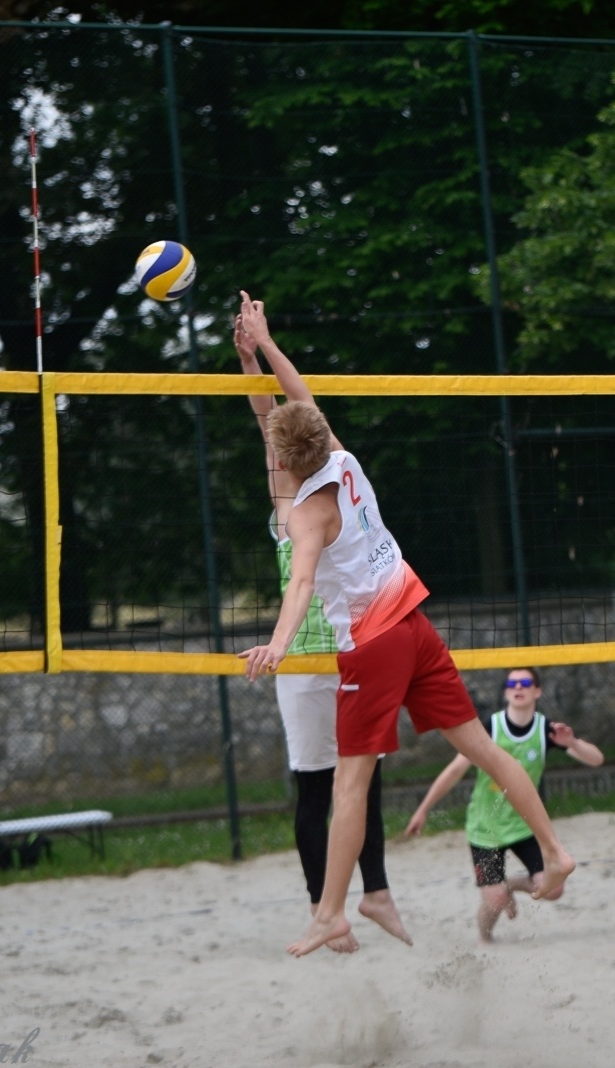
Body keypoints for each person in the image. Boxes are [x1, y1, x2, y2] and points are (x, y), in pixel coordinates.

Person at [234, 290, 575, 958]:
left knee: (349, 782)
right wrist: (260, 348)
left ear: (281, 458)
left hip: (373, 644)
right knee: (482, 749)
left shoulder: (302, 513)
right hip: (416, 624)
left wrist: (276, 644)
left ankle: (332, 912)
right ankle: (556, 853)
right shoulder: (340, 457)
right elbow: (284, 405)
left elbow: (302, 580)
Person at [235, 316, 410, 952]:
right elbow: (274, 416)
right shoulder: (289, 501)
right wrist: (253, 359)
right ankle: (321, 906)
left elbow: (300, 409)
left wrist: (261, 348)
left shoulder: (331, 477)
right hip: (303, 664)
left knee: (366, 780)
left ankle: (377, 892)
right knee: (318, 786)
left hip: (351, 648)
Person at [405, 667, 604, 943]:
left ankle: (509, 885)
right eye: (512, 683)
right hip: (485, 829)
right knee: (495, 900)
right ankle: (486, 937)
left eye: (525, 682)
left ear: (537, 691)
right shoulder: (489, 728)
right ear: (506, 692)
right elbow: (454, 771)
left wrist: (573, 743)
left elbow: (597, 760)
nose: (518, 687)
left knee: (554, 890)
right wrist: (423, 809)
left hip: (523, 826)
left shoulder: (547, 730)